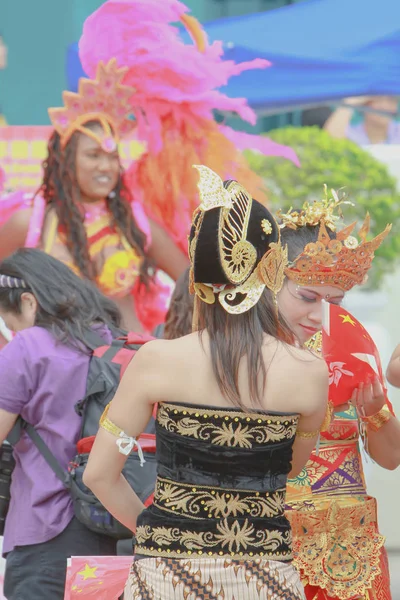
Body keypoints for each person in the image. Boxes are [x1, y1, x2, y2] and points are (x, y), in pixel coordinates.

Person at [83, 165, 329, 600]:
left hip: (167, 579)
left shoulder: (156, 359)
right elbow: (288, 469)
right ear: (271, 273)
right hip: (265, 581)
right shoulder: (308, 374)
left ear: (195, 280)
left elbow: (100, 475)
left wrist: (159, 532)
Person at [0, 60, 188, 333]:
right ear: (65, 162)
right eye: (93, 155)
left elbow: (193, 282)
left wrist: (170, 339)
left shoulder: (134, 223)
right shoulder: (30, 225)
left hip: (130, 366)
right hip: (58, 371)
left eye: (112, 157)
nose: (106, 166)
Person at [276, 193, 398, 599]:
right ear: (271, 281)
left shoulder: (350, 347)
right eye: (308, 297)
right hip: (266, 536)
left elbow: (390, 457)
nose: (321, 315)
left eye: (336, 302)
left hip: (348, 541)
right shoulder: (239, 353)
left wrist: (377, 411)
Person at [0, 248, 127, 599]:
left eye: (10, 325)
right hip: (118, 529)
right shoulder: (115, 342)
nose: (13, 334)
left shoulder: (28, 347)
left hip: (46, 533)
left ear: (28, 302)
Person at [324, 95, 400, 145]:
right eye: (377, 101)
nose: (385, 107)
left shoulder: (397, 131)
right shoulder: (351, 134)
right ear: (364, 104)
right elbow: (330, 142)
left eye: (391, 101)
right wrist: (351, 102)